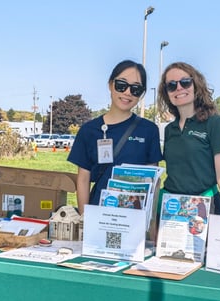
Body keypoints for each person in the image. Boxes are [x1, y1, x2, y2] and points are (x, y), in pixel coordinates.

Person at [67, 60, 162, 214]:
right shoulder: (89, 130)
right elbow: (83, 179)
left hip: (135, 217)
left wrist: (149, 221)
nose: (127, 92)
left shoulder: (149, 130)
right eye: (121, 85)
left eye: (136, 89)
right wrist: (84, 218)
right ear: (110, 85)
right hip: (98, 216)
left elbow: (153, 182)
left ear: (141, 94)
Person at [158, 62, 220, 217]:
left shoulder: (215, 123)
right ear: (166, 92)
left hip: (204, 206)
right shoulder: (169, 130)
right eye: (171, 85)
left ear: (196, 85)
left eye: (185, 82)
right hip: (171, 208)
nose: (179, 88)